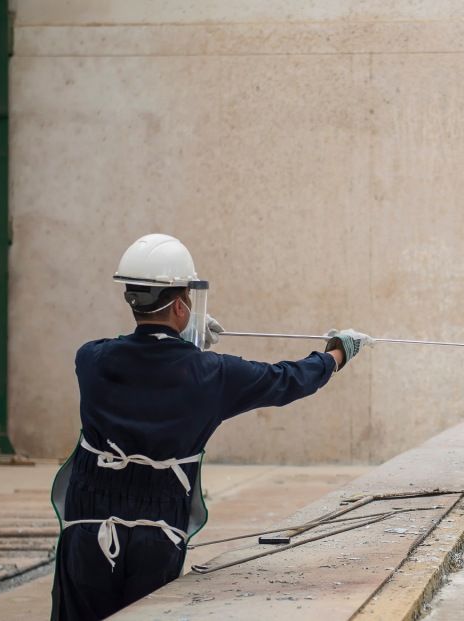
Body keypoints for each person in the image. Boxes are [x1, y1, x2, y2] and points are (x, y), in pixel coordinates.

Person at [49, 233, 371, 620]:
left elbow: (145, 368)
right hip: (160, 528)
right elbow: (287, 379)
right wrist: (337, 353)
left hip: (88, 522)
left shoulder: (90, 360)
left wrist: (188, 345)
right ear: (182, 306)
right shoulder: (214, 375)